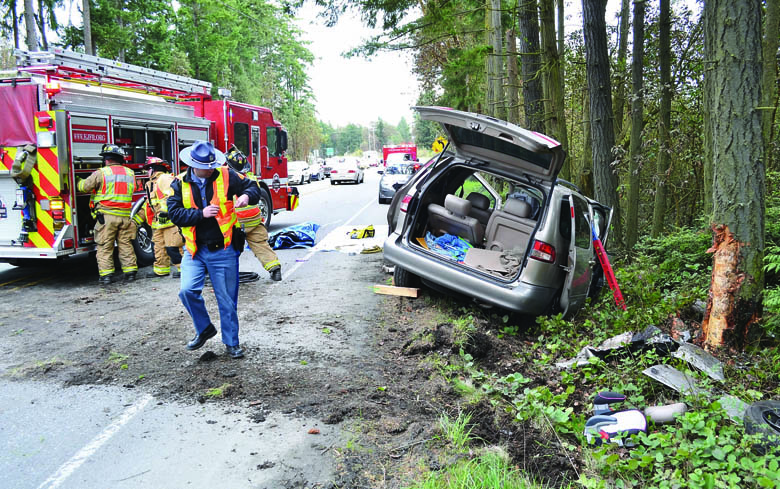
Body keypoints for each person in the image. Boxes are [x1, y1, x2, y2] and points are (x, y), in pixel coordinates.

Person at [167, 141, 259, 359]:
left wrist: (246, 196)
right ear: (193, 165)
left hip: (224, 249)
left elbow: (252, 186)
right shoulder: (179, 184)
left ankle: (232, 343)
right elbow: (174, 214)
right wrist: (201, 214)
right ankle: (204, 328)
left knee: (227, 299)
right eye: (206, 167)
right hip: (194, 250)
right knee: (187, 290)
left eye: (212, 165)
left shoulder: (227, 175)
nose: (211, 169)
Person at [77, 143, 138, 285]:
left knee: (105, 246)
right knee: (125, 245)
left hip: (106, 217)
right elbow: (133, 189)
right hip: (125, 216)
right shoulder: (130, 173)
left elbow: (85, 187)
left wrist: (78, 180)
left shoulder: (101, 173)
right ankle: (130, 273)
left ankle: (106, 276)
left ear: (106, 159)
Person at [225, 147, 282, 281]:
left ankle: (226, 275)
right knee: (261, 245)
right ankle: (275, 269)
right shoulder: (251, 178)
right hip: (254, 219)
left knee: (229, 249)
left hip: (236, 222)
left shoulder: (227, 179)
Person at [135, 157, 184, 278]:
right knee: (158, 247)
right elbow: (149, 205)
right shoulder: (150, 183)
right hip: (159, 223)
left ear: (154, 169)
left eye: (148, 169)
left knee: (174, 246)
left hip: (170, 222)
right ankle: (161, 270)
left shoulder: (165, 179)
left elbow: (173, 195)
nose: (147, 172)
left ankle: (183, 270)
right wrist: (136, 221)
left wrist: (165, 211)